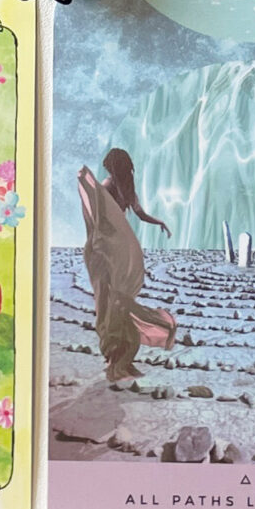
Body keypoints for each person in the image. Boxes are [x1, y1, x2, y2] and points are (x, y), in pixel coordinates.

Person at [77, 148, 177, 381]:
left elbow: (99, 216)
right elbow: (139, 213)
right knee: (118, 304)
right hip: (120, 248)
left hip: (110, 249)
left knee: (113, 304)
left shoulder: (109, 186)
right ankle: (120, 363)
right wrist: (159, 222)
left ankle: (119, 362)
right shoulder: (125, 188)